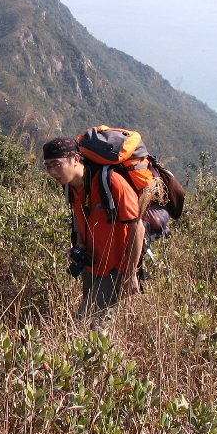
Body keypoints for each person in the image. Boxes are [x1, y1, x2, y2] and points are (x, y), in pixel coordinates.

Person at [42, 137, 145, 327]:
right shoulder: (70, 186)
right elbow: (80, 215)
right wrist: (80, 244)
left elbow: (138, 228)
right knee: (93, 325)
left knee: (88, 321)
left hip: (116, 267)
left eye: (56, 164)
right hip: (91, 264)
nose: (52, 172)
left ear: (75, 159)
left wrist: (131, 273)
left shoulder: (111, 182)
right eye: (47, 166)